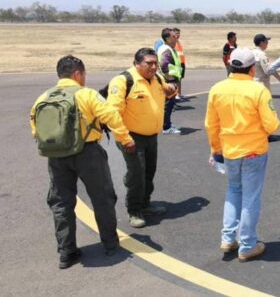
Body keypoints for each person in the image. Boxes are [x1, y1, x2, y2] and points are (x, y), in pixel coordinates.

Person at [30, 55, 135, 268]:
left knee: (61, 202)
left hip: (56, 156)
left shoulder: (43, 97)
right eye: (84, 74)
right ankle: (111, 244)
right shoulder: (86, 94)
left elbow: (35, 127)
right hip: (87, 154)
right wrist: (126, 139)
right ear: (78, 73)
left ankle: (66, 252)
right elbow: (111, 116)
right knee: (102, 198)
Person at [205, 48, 280, 262]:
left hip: (230, 150)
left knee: (233, 190)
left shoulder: (217, 89)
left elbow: (211, 124)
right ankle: (247, 244)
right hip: (254, 151)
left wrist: (216, 148)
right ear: (252, 68)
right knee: (251, 197)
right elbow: (272, 125)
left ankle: (228, 237)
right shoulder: (258, 90)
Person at [107, 48, 177, 228]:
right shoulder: (123, 81)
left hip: (151, 136)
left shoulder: (157, 78)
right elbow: (112, 113)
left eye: (156, 63)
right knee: (137, 174)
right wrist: (124, 138)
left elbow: (166, 95)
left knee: (148, 172)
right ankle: (134, 210)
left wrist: (171, 90)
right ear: (136, 63)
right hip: (131, 137)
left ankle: (145, 204)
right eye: (149, 63)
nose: (154, 67)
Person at [157, 28, 182, 135]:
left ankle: (166, 124)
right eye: (173, 36)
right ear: (167, 38)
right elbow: (163, 65)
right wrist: (169, 77)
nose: (176, 38)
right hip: (169, 81)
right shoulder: (166, 50)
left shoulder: (169, 48)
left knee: (168, 105)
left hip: (169, 80)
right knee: (168, 105)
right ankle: (166, 127)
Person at [173, 27, 188, 101]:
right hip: (177, 64)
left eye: (179, 33)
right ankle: (175, 94)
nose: (178, 35)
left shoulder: (178, 42)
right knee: (176, 79)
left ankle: (179, 93)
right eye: (176, 33)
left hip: (182, 62)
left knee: (180, 79)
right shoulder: (173, 42)